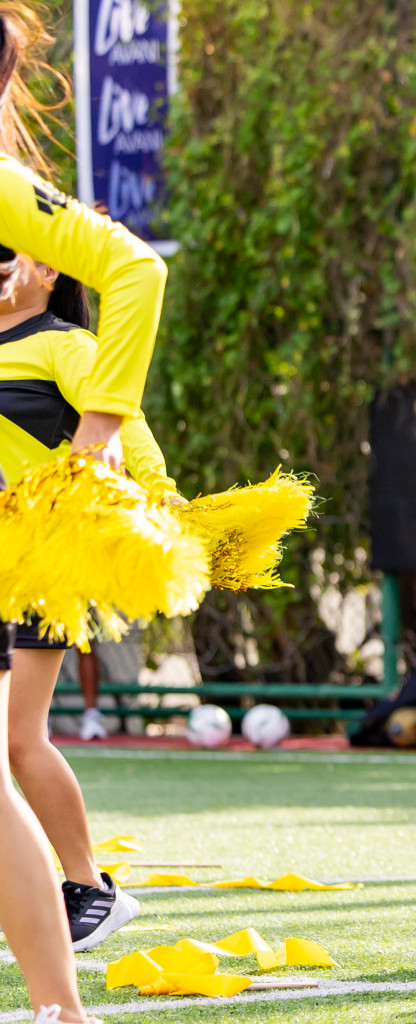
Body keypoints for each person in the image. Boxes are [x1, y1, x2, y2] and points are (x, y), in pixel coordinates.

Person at [0, 5, 169, 1020]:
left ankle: (69, 994)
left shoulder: (12, 205)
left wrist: (99, 440)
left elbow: (136, 267)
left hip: (35, 560)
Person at [1, 260, 182, 954]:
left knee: (19, 740)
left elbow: (124, 423)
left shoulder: (66, 345)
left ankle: (91, 891)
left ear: (48, 269)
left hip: (44, 563)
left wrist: (159, 492)